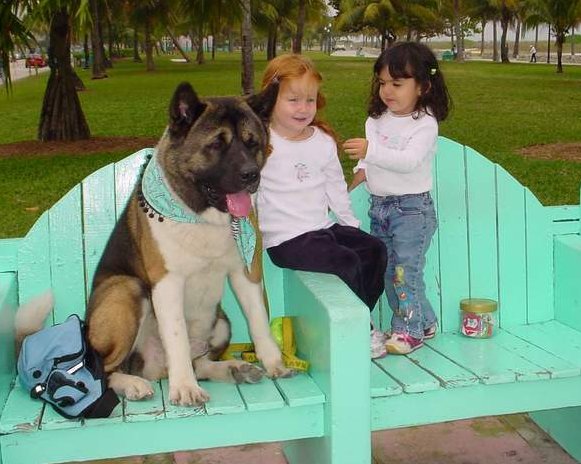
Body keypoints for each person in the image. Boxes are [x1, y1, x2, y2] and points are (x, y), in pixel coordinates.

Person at [256, 54, 389, 359]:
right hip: (285, 238)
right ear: (270, 98)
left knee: (373, 251)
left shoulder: (323, 141)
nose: (303, 108)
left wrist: (349, 225)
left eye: (310, 100)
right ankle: (360, 331)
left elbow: (334, 188)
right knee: (345, 262)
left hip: (322, 228)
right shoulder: (261, 143)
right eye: (293, 100)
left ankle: (352, 321)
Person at [344, 42, 451, 354]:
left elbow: (408, 161)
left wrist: (370, 151)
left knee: (404, 272)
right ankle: (426, 321)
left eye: (397, 83)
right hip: (380, 208)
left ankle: (409, 331)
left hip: (412, 211)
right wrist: (361, 170)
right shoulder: (376, 120)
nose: (387, 91)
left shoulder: (425, 124)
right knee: (392, 271)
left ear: (423, 86)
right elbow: (368, 163)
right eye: (382, 83)